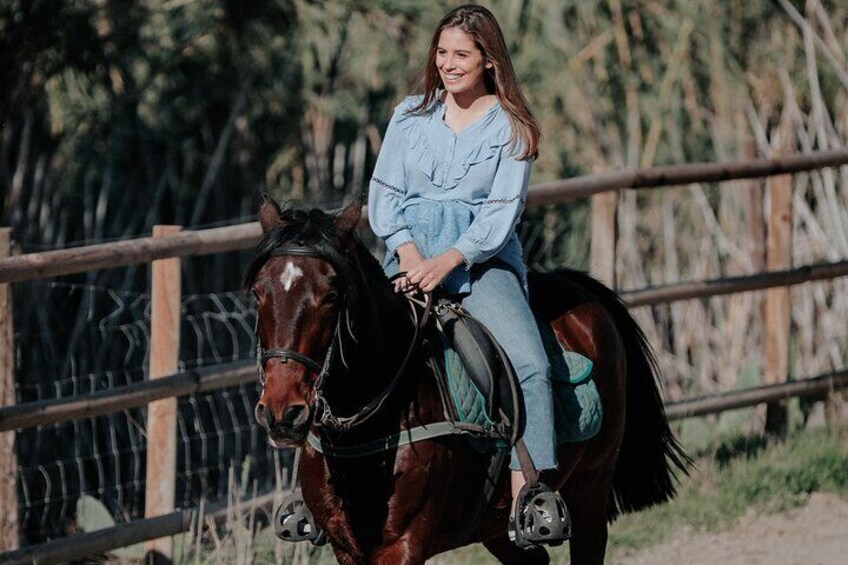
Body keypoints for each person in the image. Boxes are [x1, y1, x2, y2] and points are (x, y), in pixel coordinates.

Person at [367, 4, 567, 547]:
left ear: (488, 61)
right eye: (442, 53)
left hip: (479, 265)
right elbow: (384, 195)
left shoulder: (512, 128)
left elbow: (499, 216)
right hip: (405, 257)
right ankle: (312, 491)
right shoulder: (410, 115)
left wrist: (448, 260)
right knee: (342, 340)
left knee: (528, 362)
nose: (449, 64)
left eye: (462, 54)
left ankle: (533, 495)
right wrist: (408, 255)